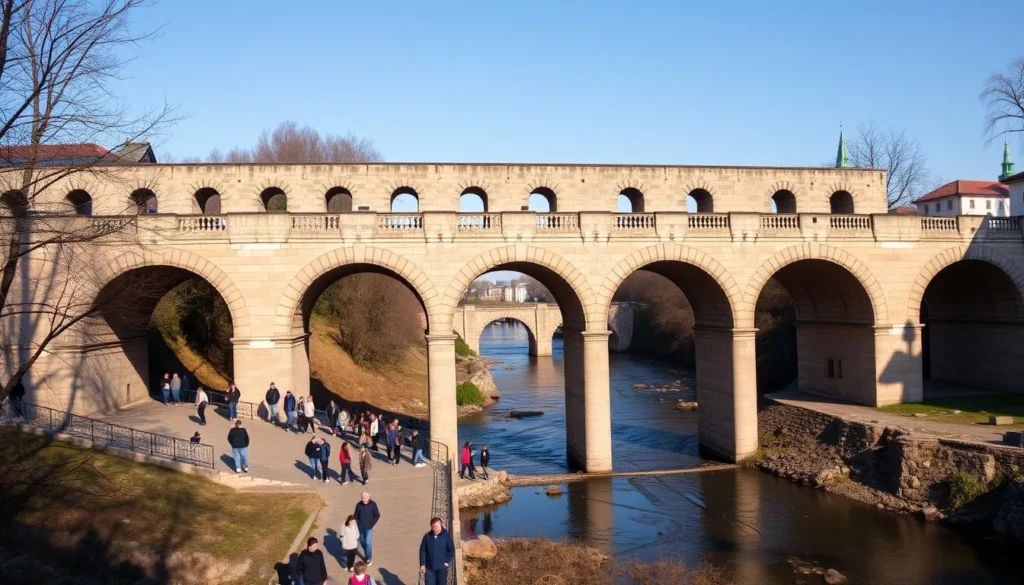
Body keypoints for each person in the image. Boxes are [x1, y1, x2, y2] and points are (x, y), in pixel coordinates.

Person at [419, 517, 455, 585]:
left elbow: (451, 549)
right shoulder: (427, 536)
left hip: (441, 567)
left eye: (436, 526)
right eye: (433, 526)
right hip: (429, 567)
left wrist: (447, 561)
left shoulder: (446, 536)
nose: (434, 528)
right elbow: (423, 550)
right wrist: (422, 564)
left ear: (441, 525)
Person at [354, 491, 380, 566]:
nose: (364, 499)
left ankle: (368, 558)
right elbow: (355, 516)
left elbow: (377, 515)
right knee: (362, 542)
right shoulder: (358, 505)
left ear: (369, 497)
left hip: (369, 528)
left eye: (365, 497)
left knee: (368, 543)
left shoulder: (373, 504)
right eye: (362, 497)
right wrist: (355, 526)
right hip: (360, 527)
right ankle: (368, 551)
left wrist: (373, 524)